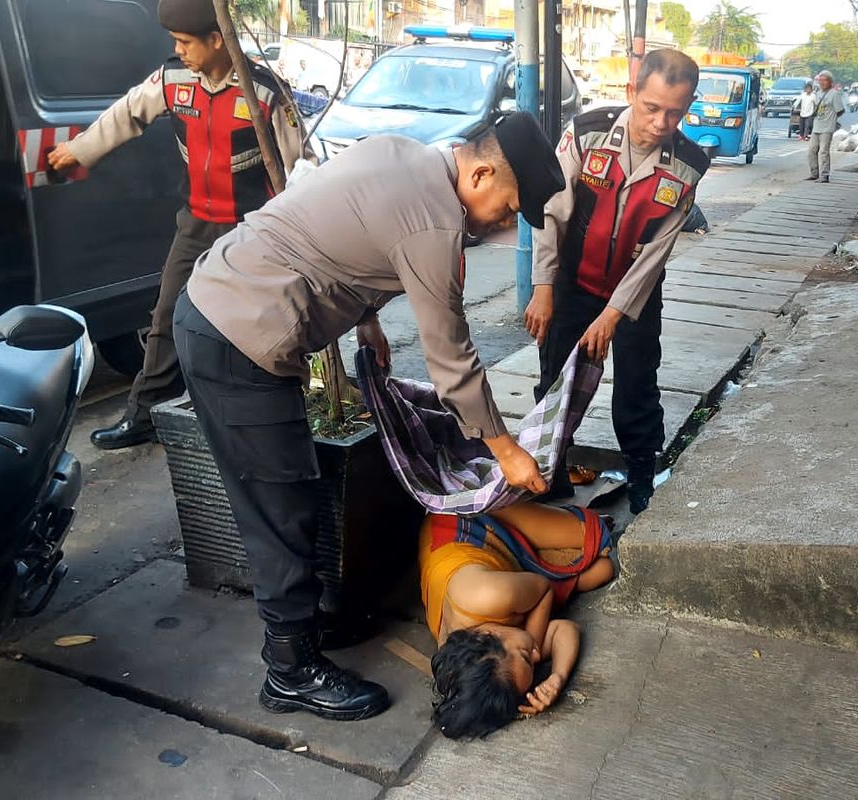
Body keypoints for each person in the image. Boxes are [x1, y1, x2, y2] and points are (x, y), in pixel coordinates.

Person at [172, 113, 564, 722]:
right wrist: (504, 448)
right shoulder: (436, 222)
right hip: (235, 335)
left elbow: (335, 228)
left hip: (225, 311)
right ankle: (289, 672)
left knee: (293, 492)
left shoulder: (404, 154)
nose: (505, 223)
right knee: (280, 508)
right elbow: (450, 357)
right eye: (510, 208)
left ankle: (304, 631)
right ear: (481, 173)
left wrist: (367, 315)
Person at [47, 0, 303, 450]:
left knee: (254, 329)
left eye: (185, 42)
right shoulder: (172, 79)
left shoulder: (263, 91)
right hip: (196, 224)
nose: (179, 50)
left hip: (252, 232)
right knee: (165, 318)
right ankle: (144, 417)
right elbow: (127, 113)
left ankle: (258, 425)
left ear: (217, 40)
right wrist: (79, 151)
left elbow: (300, 166)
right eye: (175, 43)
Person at [525, 49, 709, 515]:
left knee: (637, 384)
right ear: (632, 92)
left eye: (676, 112)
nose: (661, 122)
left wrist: (614, 314)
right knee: (554, 380)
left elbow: (655, 255)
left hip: (635, 292)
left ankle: (643, 474)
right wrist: (543, 287)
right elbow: (552, 212)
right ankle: (552, 471)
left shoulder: (688, 165)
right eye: (652, 107)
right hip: (572, 282)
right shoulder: (587, 134)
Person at [421, 502, 616, 739]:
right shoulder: (478, 657)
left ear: (491, 635)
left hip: (468, 520)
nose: (536, 655)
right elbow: (564, 630)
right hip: (510, 575)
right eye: (533, 663)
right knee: (603, 570)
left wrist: (533, 638)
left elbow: (543, 589)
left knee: (595, 535)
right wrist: (557, 678)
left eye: (527, 655)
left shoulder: (489, 596)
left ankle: (535, 515)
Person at [806, 70, 845, 183]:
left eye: (824, 80)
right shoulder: (818, 93)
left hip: (827, 128)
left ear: (830, 82)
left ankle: (824, 175)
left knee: (824, 151)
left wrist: (832, 118)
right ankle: (814, 173)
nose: (822, 82)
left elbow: (840, 110)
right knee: (811, 151)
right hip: (817, 126)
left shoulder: (834, 94)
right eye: (820, 80)